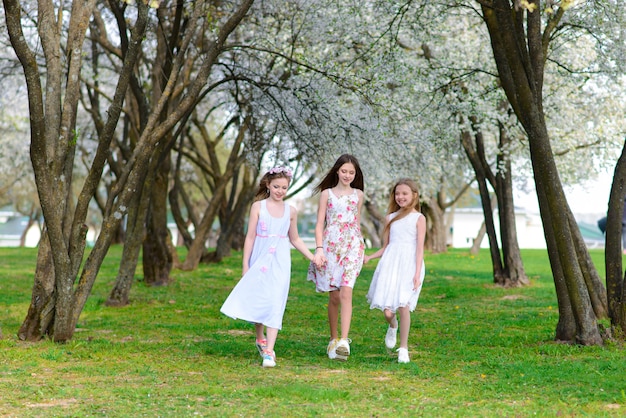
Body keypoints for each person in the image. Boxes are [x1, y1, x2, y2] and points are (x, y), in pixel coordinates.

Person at [220, 166, 319, 368]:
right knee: (260, 298)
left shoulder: (291, 211)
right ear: (268, 184)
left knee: (275, 301)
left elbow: (295, 238)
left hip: (280, 260)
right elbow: (250, 237)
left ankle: (269, 351)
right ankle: (259, 336)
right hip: (260, 257)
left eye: (284, 187)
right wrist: (245, 264)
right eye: (276, 186)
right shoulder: (258, 207)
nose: (280, 191)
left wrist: (312, 257)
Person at [307, 154, 365, 361]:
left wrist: (360, 245)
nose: (347, 175)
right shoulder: (326, 194)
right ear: (337, 171)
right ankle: (333, 338)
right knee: (334, 296)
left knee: (346, 291)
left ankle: (344, 341)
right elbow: (319, 224)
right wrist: (319, 248)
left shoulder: (358, 195)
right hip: (331, 246)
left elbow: (356, 222)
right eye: (344, 171)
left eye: (351, 172)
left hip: (352, 246)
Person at [364, 178, 426, 364]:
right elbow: (386, 246)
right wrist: (370, 257)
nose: (400, 197)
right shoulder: (390, 218)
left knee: (403, 305)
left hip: (409, 264)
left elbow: (420, 248)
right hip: (391, 264)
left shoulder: (418, 218)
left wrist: (416, 273)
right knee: (388, 312)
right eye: (397, 194)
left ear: (414, 195)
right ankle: (393, 326)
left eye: (404, 193)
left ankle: (404, 348)